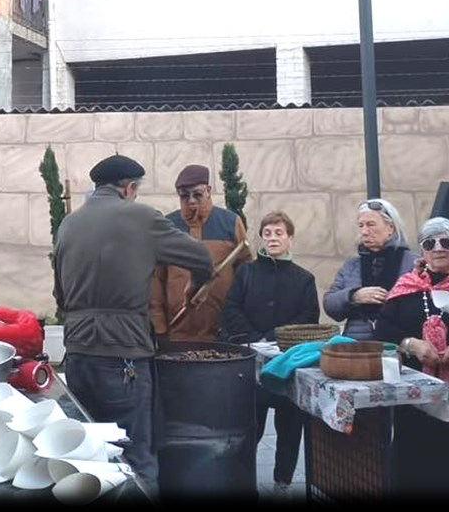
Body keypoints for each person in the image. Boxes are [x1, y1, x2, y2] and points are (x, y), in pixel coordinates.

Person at [54, 155, 213, 495]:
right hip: (124, 356)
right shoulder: (141, 217)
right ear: (128, 188)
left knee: (90, 456)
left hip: (78, 355)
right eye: (136, 191)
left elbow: (60, 296)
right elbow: (202, 258)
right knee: (135, 458)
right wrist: (194, 286)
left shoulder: (68, 224)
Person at [376, 216, 449, 493]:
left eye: (446, 242)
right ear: (422, 251)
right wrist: (410, 344)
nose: (437, 248)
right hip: (414, 397)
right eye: (429, 243)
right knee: (413, 464)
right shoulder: (406, 285)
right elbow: (383, 331)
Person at [219, 211, 319, 498]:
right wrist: (254, 337)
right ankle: (242, 481)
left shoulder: (304, 278)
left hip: (288, 363)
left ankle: (283, 483)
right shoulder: (246, 273)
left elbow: (309, 316)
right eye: (267, 233)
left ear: (290, 238)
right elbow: (231, 308)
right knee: (250, 427)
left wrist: (276, 335)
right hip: (253, 362)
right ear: (261, 238)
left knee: (289, 428)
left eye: (279, 233)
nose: (273, 238)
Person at [151, 164, 251, 342]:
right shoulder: (168, 226)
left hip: (222, 332)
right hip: (177, 332)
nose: (191, 201)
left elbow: (246, 274)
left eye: (197, 194)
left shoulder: (230, 222)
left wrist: (241, 323)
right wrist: (159, 327)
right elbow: (156, 280)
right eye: (184, 195)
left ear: (208, 191)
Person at [323, 198, 417, 340]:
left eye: (371, 224)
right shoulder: (352, 265)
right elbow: (329, 305)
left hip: (400, 344)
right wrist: (353, 296)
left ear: (391, 228)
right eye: (361, 225)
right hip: (356, 344)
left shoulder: (413, 263)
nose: (364, 231)